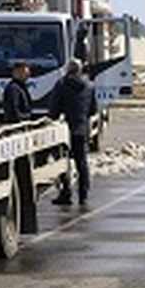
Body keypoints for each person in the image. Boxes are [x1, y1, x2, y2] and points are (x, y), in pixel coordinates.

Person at [48, 58, 98, 205]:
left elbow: (54, 110)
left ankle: (66, 192)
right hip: (82, 128)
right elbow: (93, 109)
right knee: (82, 163)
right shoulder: (89, 86)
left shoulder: (61, 84)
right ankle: (83, 194)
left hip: (65, 129)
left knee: (63, 162)